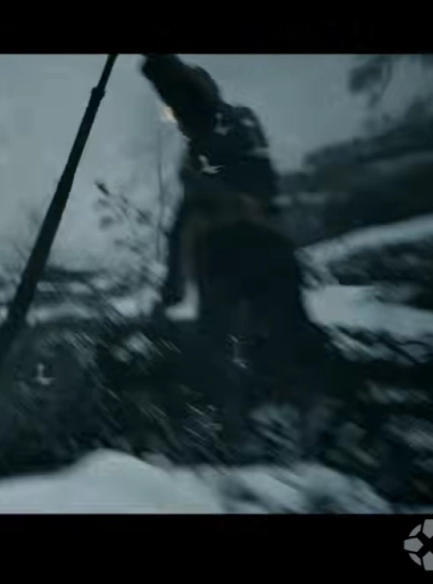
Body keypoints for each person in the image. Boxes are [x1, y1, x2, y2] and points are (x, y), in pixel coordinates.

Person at [141, 54, 339, 455]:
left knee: (270, 340)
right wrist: (171, 288)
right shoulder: (206, 148)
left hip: (249, 250)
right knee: (235, 344)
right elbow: (182, 222)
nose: (179, 118)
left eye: (181, 109)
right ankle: (243, 431)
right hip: (235, 255)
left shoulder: (226, 125)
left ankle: (302, 421)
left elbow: (192, 97)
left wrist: (159, 66)